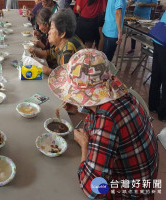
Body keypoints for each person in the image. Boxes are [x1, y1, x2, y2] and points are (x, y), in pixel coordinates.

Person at [48, 49, 159, 199]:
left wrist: (84, 146)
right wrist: (78, 111)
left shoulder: (107, 117)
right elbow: (108, 129)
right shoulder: (120, 97)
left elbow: (94, 188)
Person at [29, 8, 84, 75]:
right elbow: (51, 54)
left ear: (62, 33)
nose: (49, 32)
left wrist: (46, 70)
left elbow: (65, 77)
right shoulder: (63, 42)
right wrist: (36, 52)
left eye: (52, 28)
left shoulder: (68, 49)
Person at [148, 11, 166, 122]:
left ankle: (153, 105)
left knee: (157, 73)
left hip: (158, 37)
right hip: (164, 40)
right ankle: (163, 113)